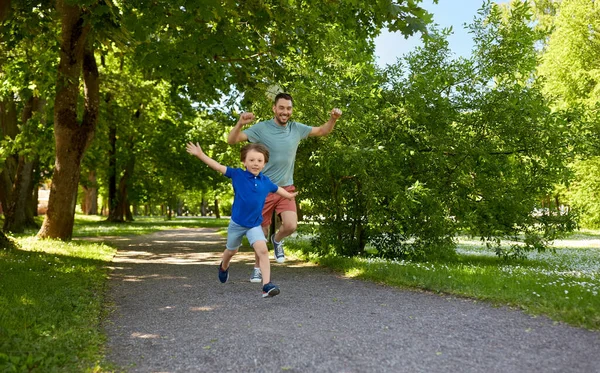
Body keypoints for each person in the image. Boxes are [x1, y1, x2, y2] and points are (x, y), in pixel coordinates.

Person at [227, 92, 342, 283]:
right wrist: (240, 123)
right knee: (261, 233)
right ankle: (257, 269)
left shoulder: (296, 129)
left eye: (288, 108)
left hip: (286, 188)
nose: (285, 112)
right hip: (263, 189)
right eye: (281, 108)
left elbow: (323, 131)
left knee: (290, 225)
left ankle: (278, 240)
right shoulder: (261, 128)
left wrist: (333, 118)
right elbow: (232, 140)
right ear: (274, 108)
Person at [186, 141, 297, 298]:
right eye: (251, 160)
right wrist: (200, 154)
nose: (255, 164)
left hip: (254, 225)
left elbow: (278, 189)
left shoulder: (266, 182)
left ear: (265, 163)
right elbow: (217, 166)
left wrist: (289, 195)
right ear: (244, 161)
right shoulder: (237, 174)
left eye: (259, 161)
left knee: (263, 250)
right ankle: (224, 267)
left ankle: (266, 285)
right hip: (237, 224)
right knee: (232, 251)